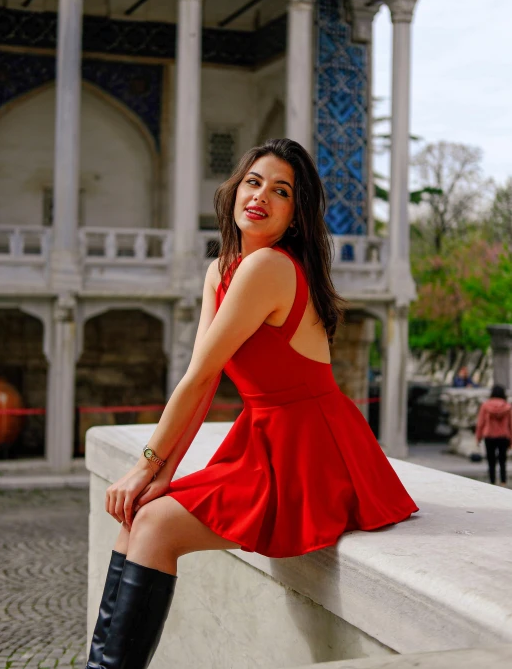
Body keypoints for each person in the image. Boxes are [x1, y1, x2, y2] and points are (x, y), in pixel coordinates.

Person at [85, 138, 419, 669]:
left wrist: (142, 464)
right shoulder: (222, 270)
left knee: (152, 527)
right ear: (235, 189)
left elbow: (197, 380)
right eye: (253, 182)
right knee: (141, 516)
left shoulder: (269, 266)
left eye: (281, 191)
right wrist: (158, 476)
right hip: (264, 438)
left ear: (294, 216)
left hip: (310, 446)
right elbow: (201, 383)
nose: (261, 195)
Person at [475, 384, 512, 486]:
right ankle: (503, 481)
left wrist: (478, 437)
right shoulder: (507, 407)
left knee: (491, 461)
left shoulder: (485, 406)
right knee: (502, 460)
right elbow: (510, 424)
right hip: (503, 436)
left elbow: (480, 423)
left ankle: (492, 481)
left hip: (489, 435)